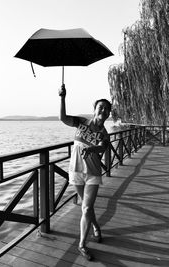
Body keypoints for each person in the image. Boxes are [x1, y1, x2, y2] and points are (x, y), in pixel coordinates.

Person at [58, 84, 111, 261]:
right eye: (100, 107)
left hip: (93, 173)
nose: (103, 110)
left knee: (86, 207)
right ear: (95, 109)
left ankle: (82, 244)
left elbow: (102, 148)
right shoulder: (81, 122)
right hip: (75, 171)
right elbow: (63, 118)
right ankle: (96, 227)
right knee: (86, 208)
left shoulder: (105, 134)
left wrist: (91, 149)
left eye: (106, 109)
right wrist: (62, 97)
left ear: (108, 114)